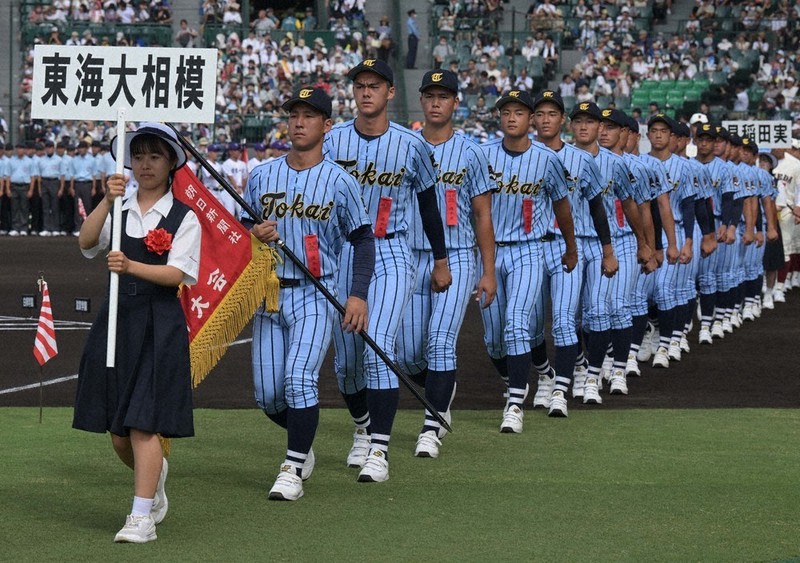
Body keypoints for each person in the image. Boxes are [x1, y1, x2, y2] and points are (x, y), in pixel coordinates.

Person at [243, 86, 374, 501]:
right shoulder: (262, 175)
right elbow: (239, 235)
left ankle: (292, 467)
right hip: (268, 295)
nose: (299, 121)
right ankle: (304, 444)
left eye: (309, 115)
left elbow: (364, 239)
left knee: (300, 379)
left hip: (317, 295)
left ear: (326, 125)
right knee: (268, 395)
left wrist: (357, 295)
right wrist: (253, 234)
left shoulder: (340, 181)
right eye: (294, 115)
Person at [323, 59, 451, 482]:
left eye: (374, 86)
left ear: (390, 93)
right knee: (346, 364)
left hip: (392, 251)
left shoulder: (412, 145)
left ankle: (379, 449)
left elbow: (430, 206)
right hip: (343, 253)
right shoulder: (333, 139)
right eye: (359, 85)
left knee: (380, 347)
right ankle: (362, 428)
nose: (365, 92)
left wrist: (440, 257)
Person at [72, 122, 201, 543]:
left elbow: (177, 274)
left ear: (171, 164)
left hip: (158, 324)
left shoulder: (184, 218)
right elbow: (87, 242)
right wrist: (107, 202)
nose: (145, 164)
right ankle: (155, 477)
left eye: (155, 156)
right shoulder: (120, 206)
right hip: (116, 322)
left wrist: (131, 266)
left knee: (144, 423)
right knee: (118, 431)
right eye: (139, 155)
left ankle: (141, 517)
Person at [397, 70, 496, 457]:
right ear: (421, 101)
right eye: (430, 95)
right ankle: (442, 388)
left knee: (440, 341)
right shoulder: (403, 145)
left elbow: (482, 215)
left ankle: (432, 422)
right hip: (408, 256)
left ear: (456, 103)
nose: (436, 102)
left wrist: (488, 271)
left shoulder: (471, 151)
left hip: (455, 255)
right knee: (406, 353)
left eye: (444, 96)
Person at [480, 89, 578, 431]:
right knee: (493, 338)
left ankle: (514, 403)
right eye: (506, 111)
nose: (511, 117)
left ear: (530, 119)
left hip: (528, 250)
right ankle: (527, 379)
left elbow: (562, 205)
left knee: (516, 323)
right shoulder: (483, 155)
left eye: (519, 112)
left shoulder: (547, 159)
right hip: (489, 252)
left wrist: (570, 246)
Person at [529, 91, 617, 416]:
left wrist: (608, 250)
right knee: (530, 325)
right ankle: (545, 376)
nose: (546, 119)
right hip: (531, 248)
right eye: (541, 113)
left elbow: (597, 207)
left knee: (569, 320)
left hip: (572, 245)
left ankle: (565, 389)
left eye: (553, 113)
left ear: (560, 120)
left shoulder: (582, 160)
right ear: (533, 118)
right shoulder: (521, 156)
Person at [6, 143, 37, 236]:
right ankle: (15, 227)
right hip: (14, 186)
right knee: (14, 207)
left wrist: (31, 190)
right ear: (16, 150)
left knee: (24, 207)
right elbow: (8, 176)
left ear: (24, 150)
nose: (20, 150)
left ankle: (24, 227)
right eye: (18, 148)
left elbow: (33, 177)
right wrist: (7, 189)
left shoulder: (29, 161)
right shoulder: (11, 161)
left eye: (22, 148)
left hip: (25, 186)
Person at [68, 141, 97, 236]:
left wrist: (93, 188)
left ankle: (87, 228)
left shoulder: (92, 160)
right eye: (79, 148)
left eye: (82, 148)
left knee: (88, 206)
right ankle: (77, 228)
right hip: (77, 183)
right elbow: (72, 175)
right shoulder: (74, 160)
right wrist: (72, 188)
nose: (81, 150)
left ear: (86, 149)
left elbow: (94, 175)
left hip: (87, 184)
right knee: (77, 206)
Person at [36, 140, 63, 236]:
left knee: (55, 206)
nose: (49, 149)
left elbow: (62, 175)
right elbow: (39, 176)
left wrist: (61, 188)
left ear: (53, 148)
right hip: (44, 182)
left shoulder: (59, 160)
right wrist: (39, 188)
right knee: (45, 207)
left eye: (51, 147)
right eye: (47, 147)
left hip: (54, 182)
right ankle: (46, 228)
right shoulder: (41, 160)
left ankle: (55, 228)